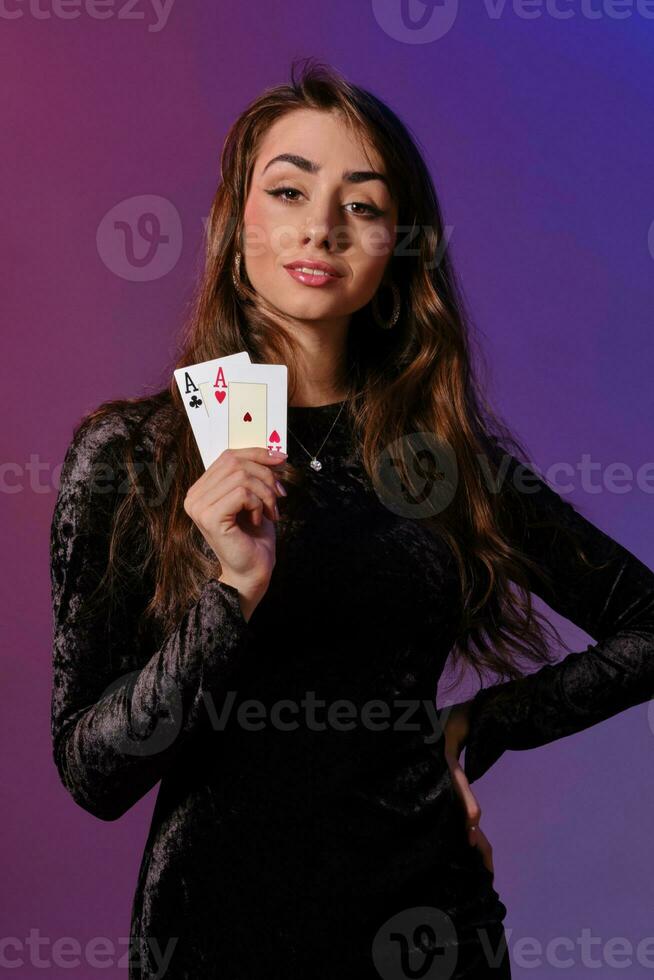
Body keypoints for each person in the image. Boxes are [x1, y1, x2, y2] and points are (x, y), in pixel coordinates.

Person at [49, 59, 654, 979]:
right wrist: (232, 592)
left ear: (399, 246)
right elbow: (94, 775)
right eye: (289, 190)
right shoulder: (133, 455)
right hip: (217, 937)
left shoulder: (441, 458)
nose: (320, 228)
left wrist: (482, 725)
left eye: (363, 206)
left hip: (425, 927)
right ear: (234, 219)